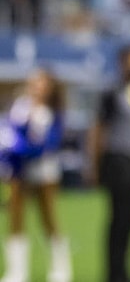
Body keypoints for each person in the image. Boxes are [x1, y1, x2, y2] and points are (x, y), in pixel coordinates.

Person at [84, 44, 130, 282]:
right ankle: (114, 273)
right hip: (120, 162)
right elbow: (98, 130)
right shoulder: (113, 92)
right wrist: (93, 166)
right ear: (124, 62)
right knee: (119, 220)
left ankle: (123, 270)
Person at [0, 68, 72, 282]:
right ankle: (17, 271)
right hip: (19, 169)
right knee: (15, 217)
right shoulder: (19, 106)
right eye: (34, 82)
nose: (36, 87)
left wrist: (29, 148)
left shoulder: (53, 111)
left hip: (44, 169)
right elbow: (9, 132)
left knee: (48, 217)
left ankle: (60, 269)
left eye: (41, 83)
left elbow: (51, 142)